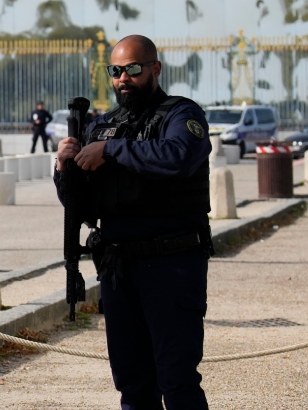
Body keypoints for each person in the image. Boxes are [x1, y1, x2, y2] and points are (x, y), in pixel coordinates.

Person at [54, 34, 211, 409]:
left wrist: (111, 150)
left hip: (171, 266)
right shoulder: (103, 125)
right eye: (116, 70)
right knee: (132, 383)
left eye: (133, 69)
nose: (123, 78)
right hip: (119, 268)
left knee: (177, 380)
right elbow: (79, 205)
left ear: (155, 69)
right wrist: (64, 167)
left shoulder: (181, 115)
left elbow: (177, 157)